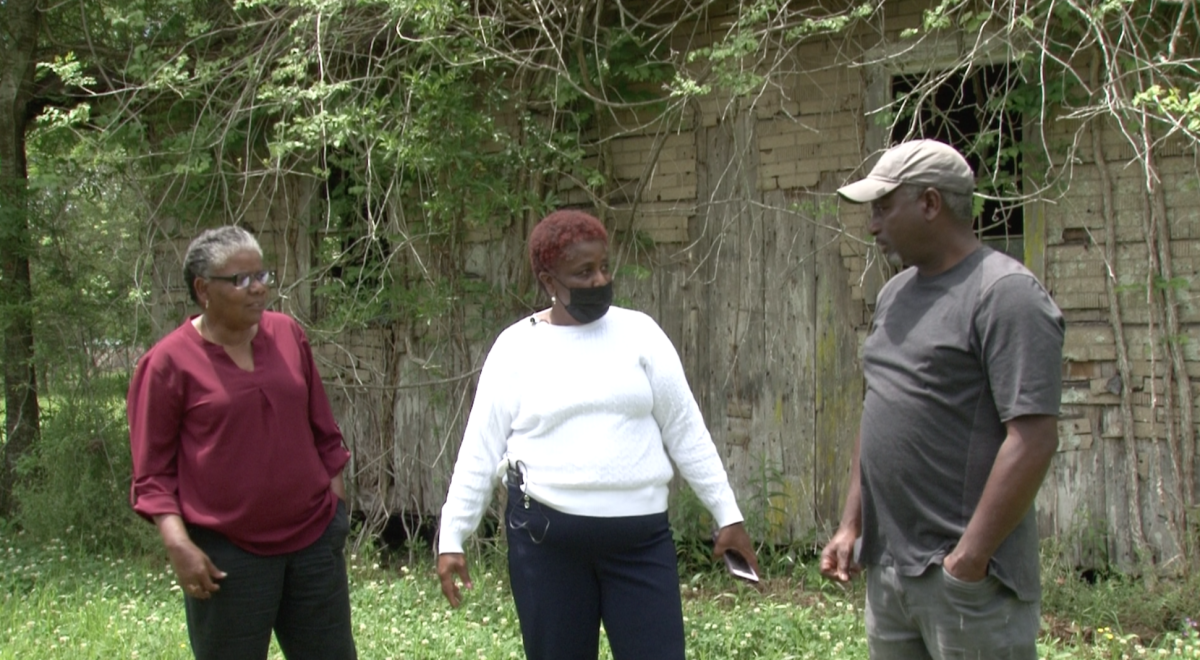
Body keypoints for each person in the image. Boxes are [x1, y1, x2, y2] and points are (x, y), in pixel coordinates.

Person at [436, 209, 759, 660]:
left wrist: (728, 514)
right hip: (547, 544)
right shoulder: (516, 348)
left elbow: (686, 429)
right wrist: (453, 535)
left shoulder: (640, 334)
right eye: (583, 272)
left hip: (640, 543)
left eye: (604, 267)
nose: (599, 280)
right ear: (549, 279)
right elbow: (480, 448)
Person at [820, 140, 1064, 660]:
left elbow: (1034, 438)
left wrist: (968, 561)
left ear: (930, 204)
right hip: (890, 571)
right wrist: (852, 524)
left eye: (884, 207)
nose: (872, 225)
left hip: (968, 583)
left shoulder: (1004, 294)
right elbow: (879, 408)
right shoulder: (895, 294)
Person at [127, 226, 357, 660]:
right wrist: (178, 544)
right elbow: (152, 474)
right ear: (203, 289)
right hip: (227, 555)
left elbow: (323, 428)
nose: (258, 289)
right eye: (240, 280)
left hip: (312, 542)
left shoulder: (288, 334)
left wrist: (335, 506)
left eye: (262, 276)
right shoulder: (168, 364)